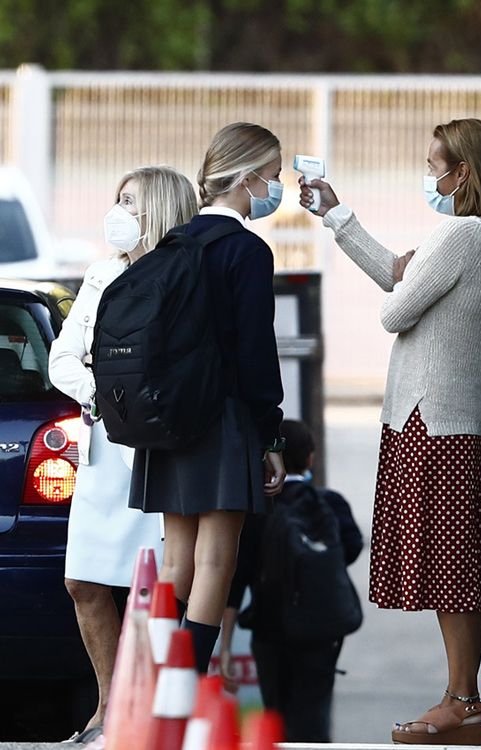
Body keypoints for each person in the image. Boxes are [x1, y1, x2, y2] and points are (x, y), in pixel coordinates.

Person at [300, 118, 481, 745]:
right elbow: (402, 277)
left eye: (437, 166)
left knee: (452, 564)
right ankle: (461, 698)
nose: (431, 177)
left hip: (435, 419)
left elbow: (395, 308)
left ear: (465, 173)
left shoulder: (460, 234)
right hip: (451, 417)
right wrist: (338, 218)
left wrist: (412, 270)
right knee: (456, 560)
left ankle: (461, 700)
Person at [128, 122, 286, 675]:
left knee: (175, 558)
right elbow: (255, 355)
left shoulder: (173, 243)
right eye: (271, 177)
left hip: (168, 418)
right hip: (224, 421)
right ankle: (184, 683)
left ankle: (151, 684)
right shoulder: (247, 251)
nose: (274, 188)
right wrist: (271, 435)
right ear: (245, 180)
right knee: (216, 556)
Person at [48, 165, 197, 744]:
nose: (118, 210)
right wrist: (104, 396)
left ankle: (139, 712)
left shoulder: (184, 277)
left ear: (158, 209)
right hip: (102, 450)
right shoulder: (99, 274)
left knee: (153, 588)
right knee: (83, 582)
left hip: (158, 452)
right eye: (117, 199)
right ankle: (108, 705)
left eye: (130, 201)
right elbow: (64, 359)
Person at [220, 418, 364, 742]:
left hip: (270, 630)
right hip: (320, 632)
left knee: (275, 716)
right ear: (310, 458)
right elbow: (351, 547)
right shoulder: (331, 504)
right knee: (314, 715)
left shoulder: (257, 513)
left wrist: (226, 647)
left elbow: (236, 580)